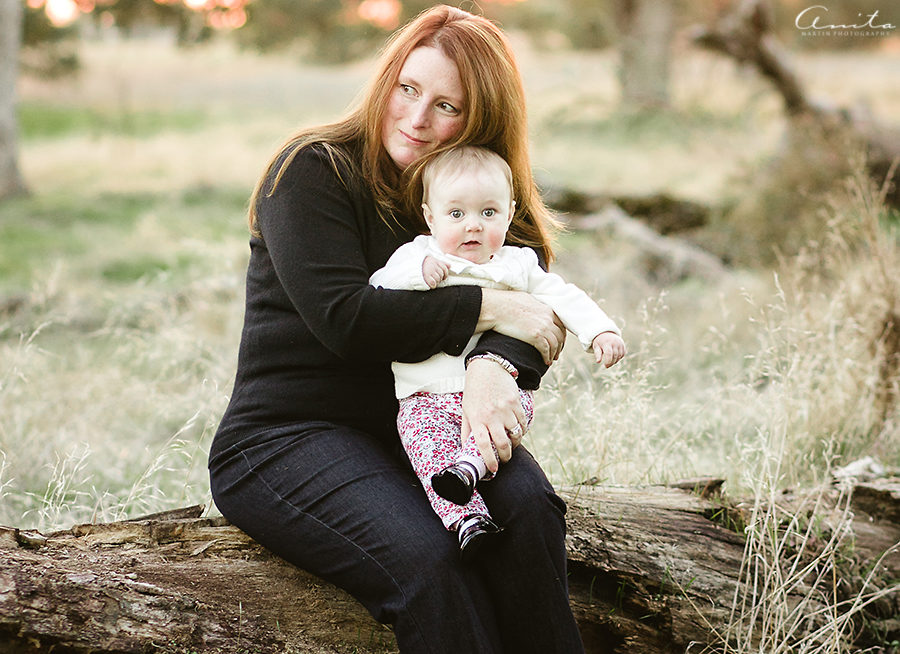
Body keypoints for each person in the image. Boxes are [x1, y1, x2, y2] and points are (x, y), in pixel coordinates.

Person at [209, 5, 587, 652]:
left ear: (484, 120)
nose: (416, 118)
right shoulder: (311, 170)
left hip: (425, 432)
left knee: (528, 510)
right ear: (386, 81)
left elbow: (533, 302)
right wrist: (489, 315)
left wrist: (497, 365)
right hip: (284, 440)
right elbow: (347, 321)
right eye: (408, 89)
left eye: (448, 106)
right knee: (430, 564)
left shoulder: (483, 195)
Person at [370, 145, 625, 561]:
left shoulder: (517, 264)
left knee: (507, 419)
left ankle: (471, 465)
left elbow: (562, 296)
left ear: (508, 214)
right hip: (425, 398)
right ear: (430, 217)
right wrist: (417, 275)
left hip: (499, 390)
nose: (472, 226)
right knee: (425, 449)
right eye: (456, 215)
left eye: (487, 213)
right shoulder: (418, 256)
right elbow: (380, 290)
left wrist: (599, 330)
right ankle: (467, 520)